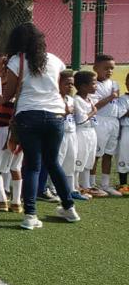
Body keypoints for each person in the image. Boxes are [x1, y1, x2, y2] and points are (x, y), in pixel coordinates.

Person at [2, 22, 80, 230]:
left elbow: (9, 93)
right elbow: (61, 84)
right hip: (56, 115)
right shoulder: (55, 60)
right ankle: (69, 208)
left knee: (32, 166)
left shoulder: (16, 60)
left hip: (29, 115)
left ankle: (30, 214)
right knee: (53, 163)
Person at [0, 58, 20, 213]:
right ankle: (16, 202)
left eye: (4, 66)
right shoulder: (22, 88)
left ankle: (2, 200)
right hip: (19, 130)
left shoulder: (4, 88)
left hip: (4, 129)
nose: (1, 69)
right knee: (15, 167)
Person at [88, 54, 121, 196]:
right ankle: (91, 184)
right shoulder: (94, 85)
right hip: (100, 121)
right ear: (95, 68)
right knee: (96, 154)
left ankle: (105, 184)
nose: (109, 71)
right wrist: (111, 97)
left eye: (112, 68)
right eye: (106, 68)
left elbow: (117, 103)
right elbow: (95, 105)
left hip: (114, 121)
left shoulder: (114, 84)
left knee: (109, 154)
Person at [58, 70, 87, 201]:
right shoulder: (54, 99)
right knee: (58, 162)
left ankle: (70, 189)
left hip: (72, 133)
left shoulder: (71, 99)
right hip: (60, 134)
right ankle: (53, 189)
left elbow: (78, 117)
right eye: (67, 84)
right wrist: (64, 112)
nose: (70, 86)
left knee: (71, 162)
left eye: (72, 84)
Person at [73, 70, 100, 198]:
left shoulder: (89, 99)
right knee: (80, 158)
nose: (96, 86)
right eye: (93, 83)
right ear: (83, 86)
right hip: (81, 132)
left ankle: (86, 185)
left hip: (91, 131)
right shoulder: (77, 100)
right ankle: (75, 186)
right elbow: (81, 119)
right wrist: (93, 112)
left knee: (89, 158)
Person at [116, 73, 129, 194]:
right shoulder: (123, 99)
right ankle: (123, 184)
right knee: (124, 156)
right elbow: (120, 114)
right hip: (126, 129)